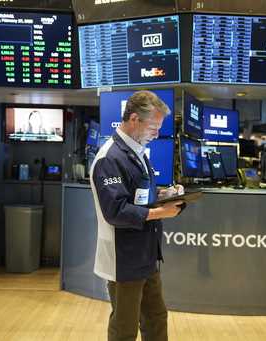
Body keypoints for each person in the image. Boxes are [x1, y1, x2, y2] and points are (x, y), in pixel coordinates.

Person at [89, 91, 184, 341]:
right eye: (154, 126)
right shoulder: (109, 158)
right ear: (134, 119)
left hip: (146, 254)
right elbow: (116, 211)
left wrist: (164, 194)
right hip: (123, 258)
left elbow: (139, 194)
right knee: (125, 328)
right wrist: (160, 212)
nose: (157, 133)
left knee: (156, 318)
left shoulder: (138, 151)